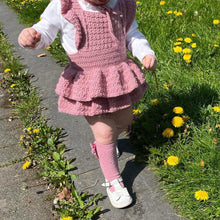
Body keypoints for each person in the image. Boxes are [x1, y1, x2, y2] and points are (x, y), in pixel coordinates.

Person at [18, 0, 157, 209]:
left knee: (125, 119)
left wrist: (145, 52)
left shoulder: (122, 5)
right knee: (105, 132)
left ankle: (103, 148)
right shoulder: (64, 5)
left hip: (117, 76)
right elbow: (45, 29)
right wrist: (32, 37)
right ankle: (113, 180)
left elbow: (132, 34)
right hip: (88, 81)